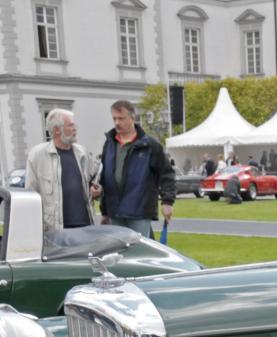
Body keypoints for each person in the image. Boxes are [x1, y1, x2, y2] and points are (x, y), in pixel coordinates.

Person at [98, 99, 174, 238]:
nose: (117, 123)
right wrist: (104, 211)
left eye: (121, 118)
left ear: (132, 117)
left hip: (139, 210)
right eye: (114, 118)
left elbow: (166, 174)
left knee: (139, 253)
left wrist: (167, 201)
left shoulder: (150, 145)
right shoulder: (109, 144)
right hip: (115, 211)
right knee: (118, 253)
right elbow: (105, 179)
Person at [26, 109, 98, 233]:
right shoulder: (38, 155)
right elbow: (31, 195)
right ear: (57, 129)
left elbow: (94, 179)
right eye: (70, 125)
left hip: (86, 226)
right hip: (56, 230)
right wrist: (38, 227)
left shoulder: (82, 152)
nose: (75, 128)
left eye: (74, 125)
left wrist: (97, 189)